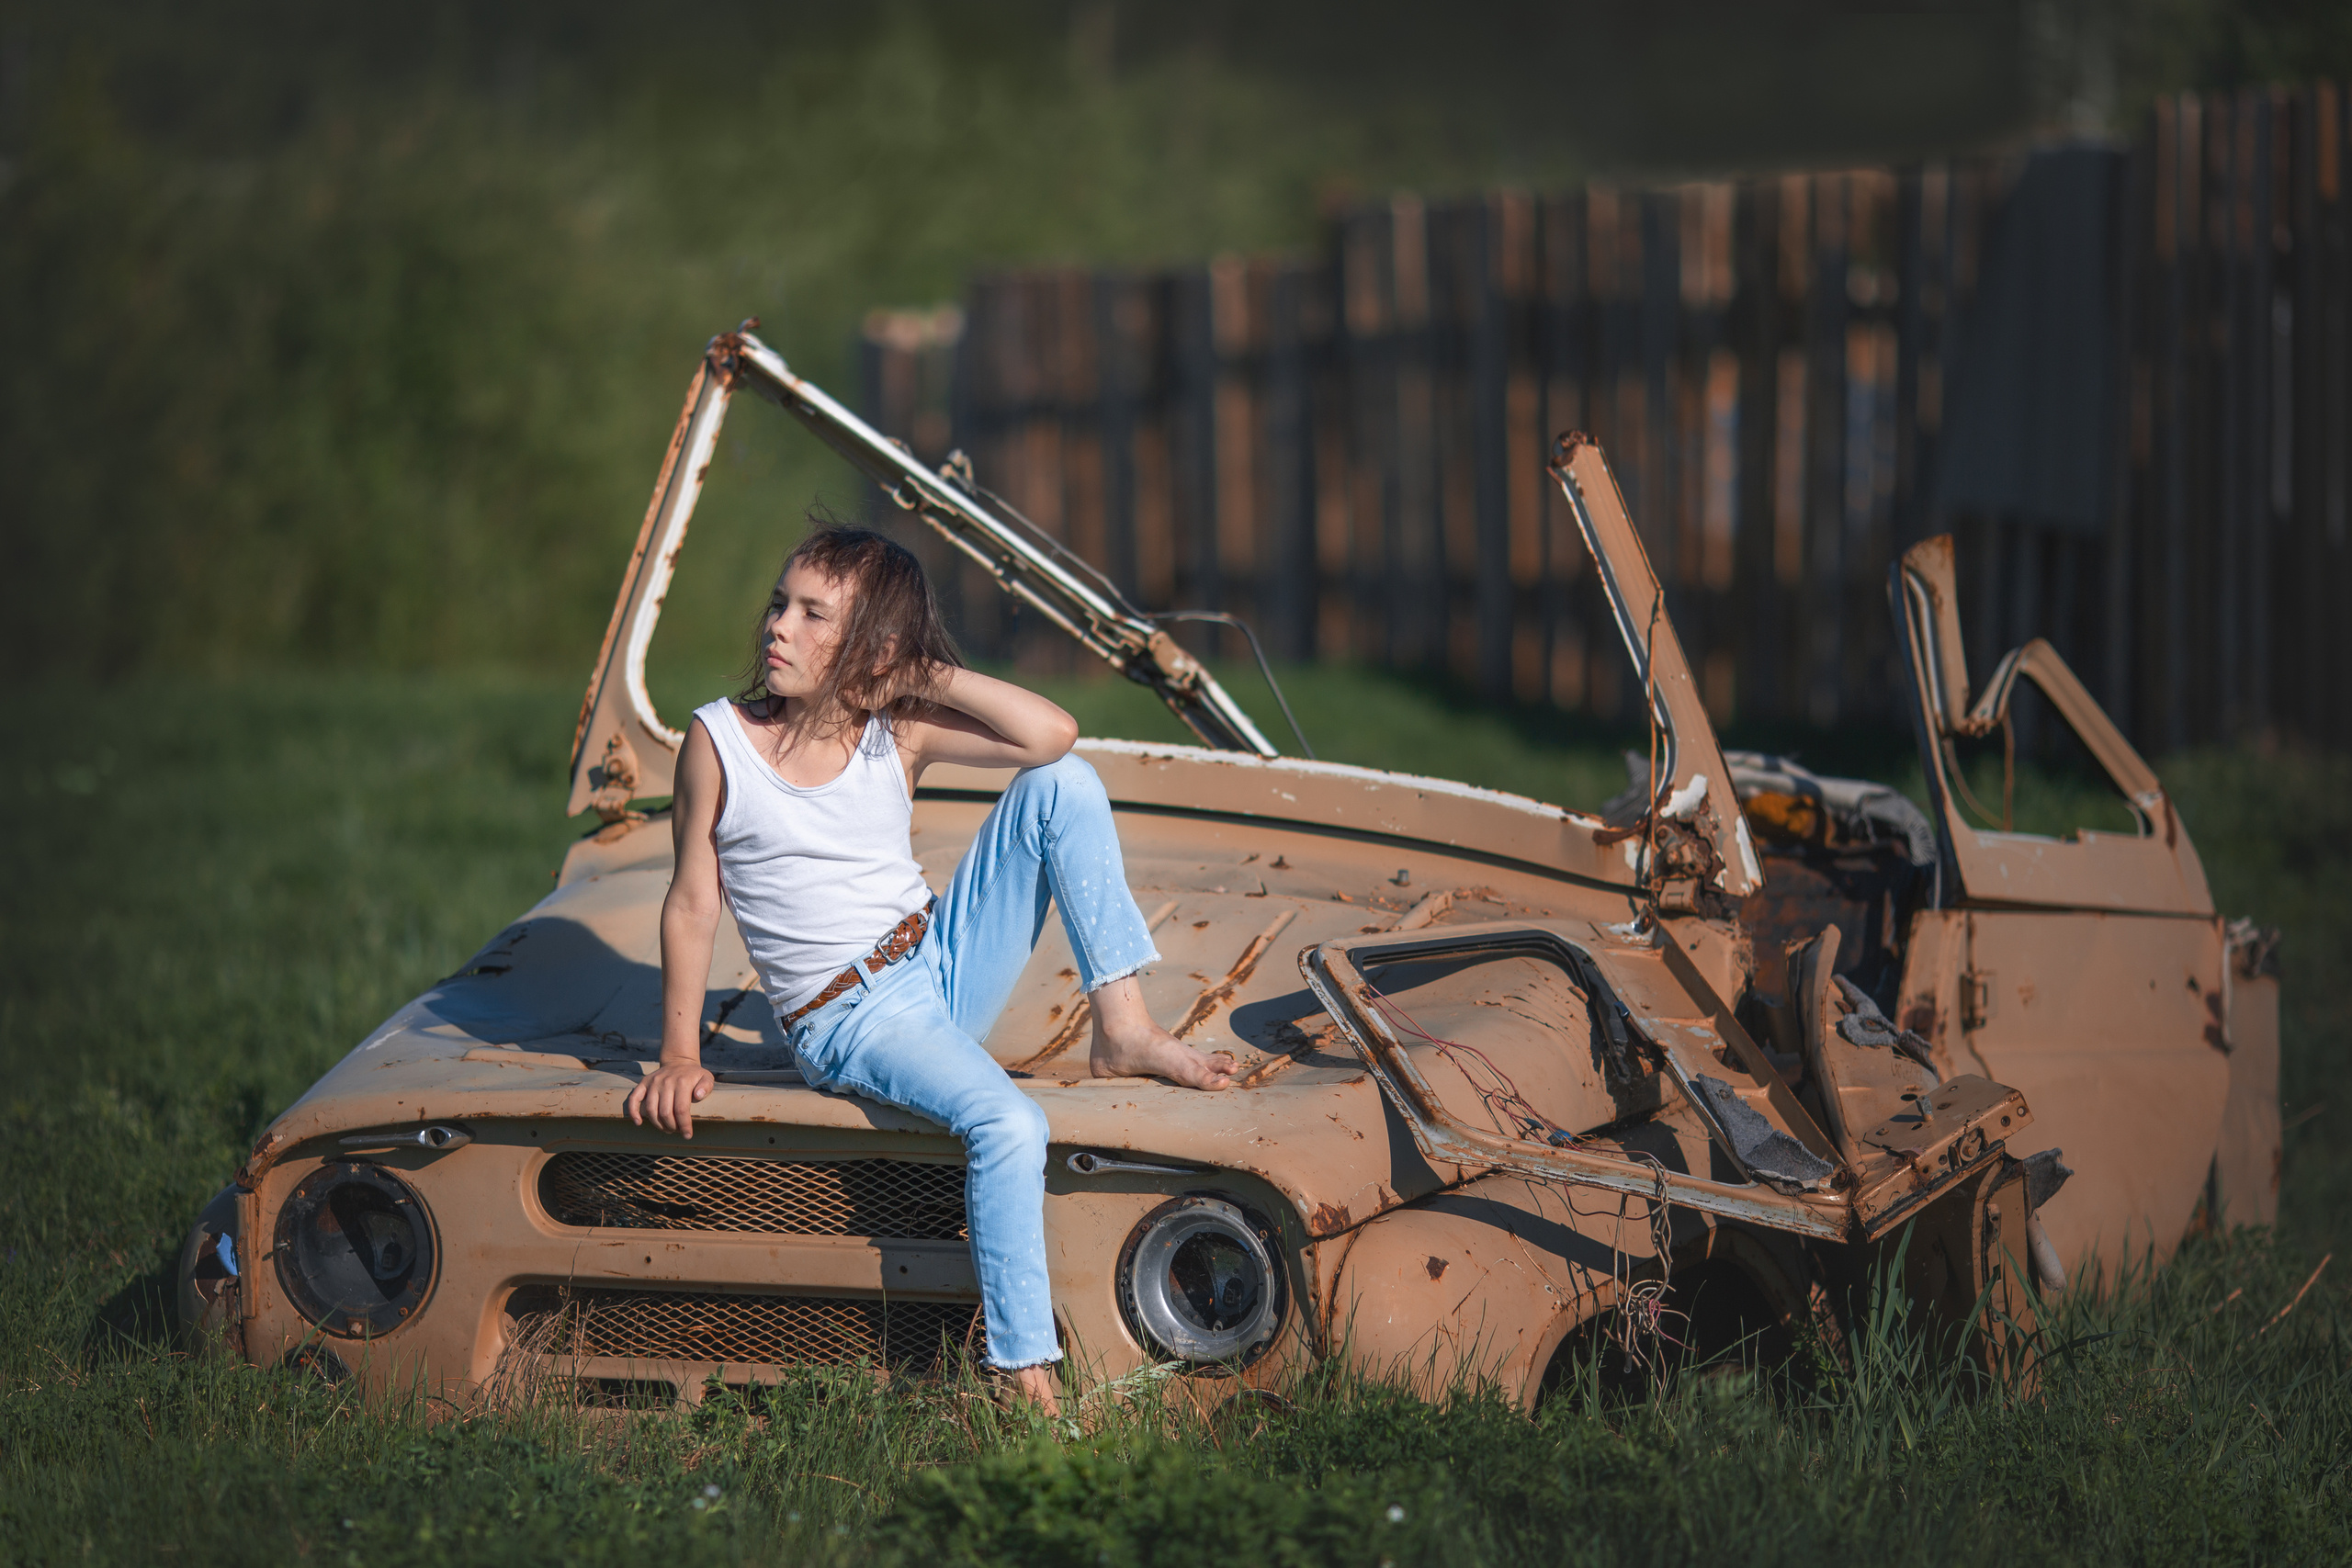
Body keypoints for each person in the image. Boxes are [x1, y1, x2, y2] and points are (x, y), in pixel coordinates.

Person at [625, 525, 1234, 1415]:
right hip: (850, 1017)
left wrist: (916, 673)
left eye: (811, 614)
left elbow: (1051, 734)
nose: (777, 628)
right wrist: (679, 1055)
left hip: (937, 958)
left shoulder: (893, 728)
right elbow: (691, 902)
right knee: (1008, 1125)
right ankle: (1023, 1372)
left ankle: (1124, 1026)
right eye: (778, 604)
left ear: (869, 645)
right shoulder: (719, 741)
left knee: (1064, 784)